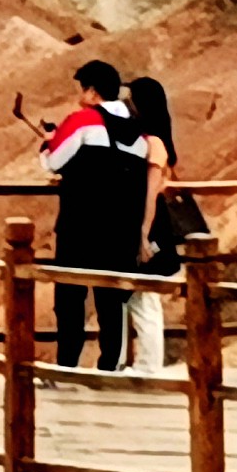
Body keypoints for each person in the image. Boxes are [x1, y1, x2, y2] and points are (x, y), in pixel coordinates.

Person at [41, 59, 149, 370]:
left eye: (82, 89)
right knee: (110, 298)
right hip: (121, 227)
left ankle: (67, 366)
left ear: (91, 91)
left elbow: (54, 162)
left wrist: (47, 144)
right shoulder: (137, 131)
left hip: (80, 222)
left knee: (70, 297)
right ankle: (108, 367)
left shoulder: (82, 121)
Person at [124, 76, 209, 371]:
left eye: (132, 98)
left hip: (150, 225)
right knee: (139, 296)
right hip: (151, 224)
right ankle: (142, 364)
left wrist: (143, 234)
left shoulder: (152, 143)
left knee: (143, 297)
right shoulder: (159, 139)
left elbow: (151, 193)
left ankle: (148, 366)